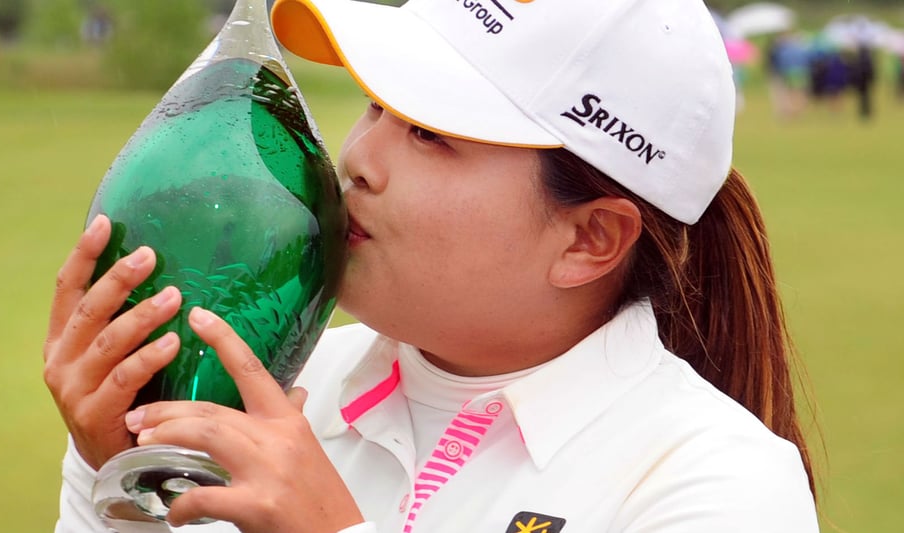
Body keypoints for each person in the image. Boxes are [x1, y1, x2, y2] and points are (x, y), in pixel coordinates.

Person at [44, 0, 821, 531]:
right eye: (378, 107)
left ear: (589, 240)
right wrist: (114, 476)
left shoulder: (717, 483)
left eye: (429, 135)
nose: (356, 158)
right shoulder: (285, 385)